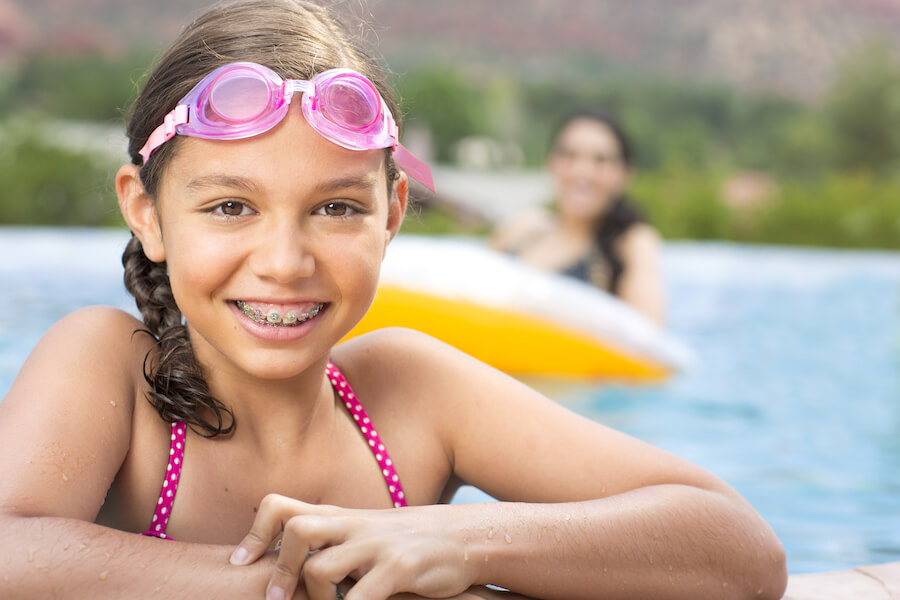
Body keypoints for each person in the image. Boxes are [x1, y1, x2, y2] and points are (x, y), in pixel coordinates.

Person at [0, 1, 786, 598]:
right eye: (230, 207)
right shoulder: (110, 369)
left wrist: (459, 540)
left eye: (337, 207)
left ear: (394, 214)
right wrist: (273, 578)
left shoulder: (409, 392)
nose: (284, 263)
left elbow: (742, 548)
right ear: (145, 210)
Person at [491, 110, 665, 324]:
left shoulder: (631, 242)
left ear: (625, 174)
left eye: (600, 160)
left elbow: (648, 338)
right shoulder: (522, 229)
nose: (582, 171)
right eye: (569, 155)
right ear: (550, 163)